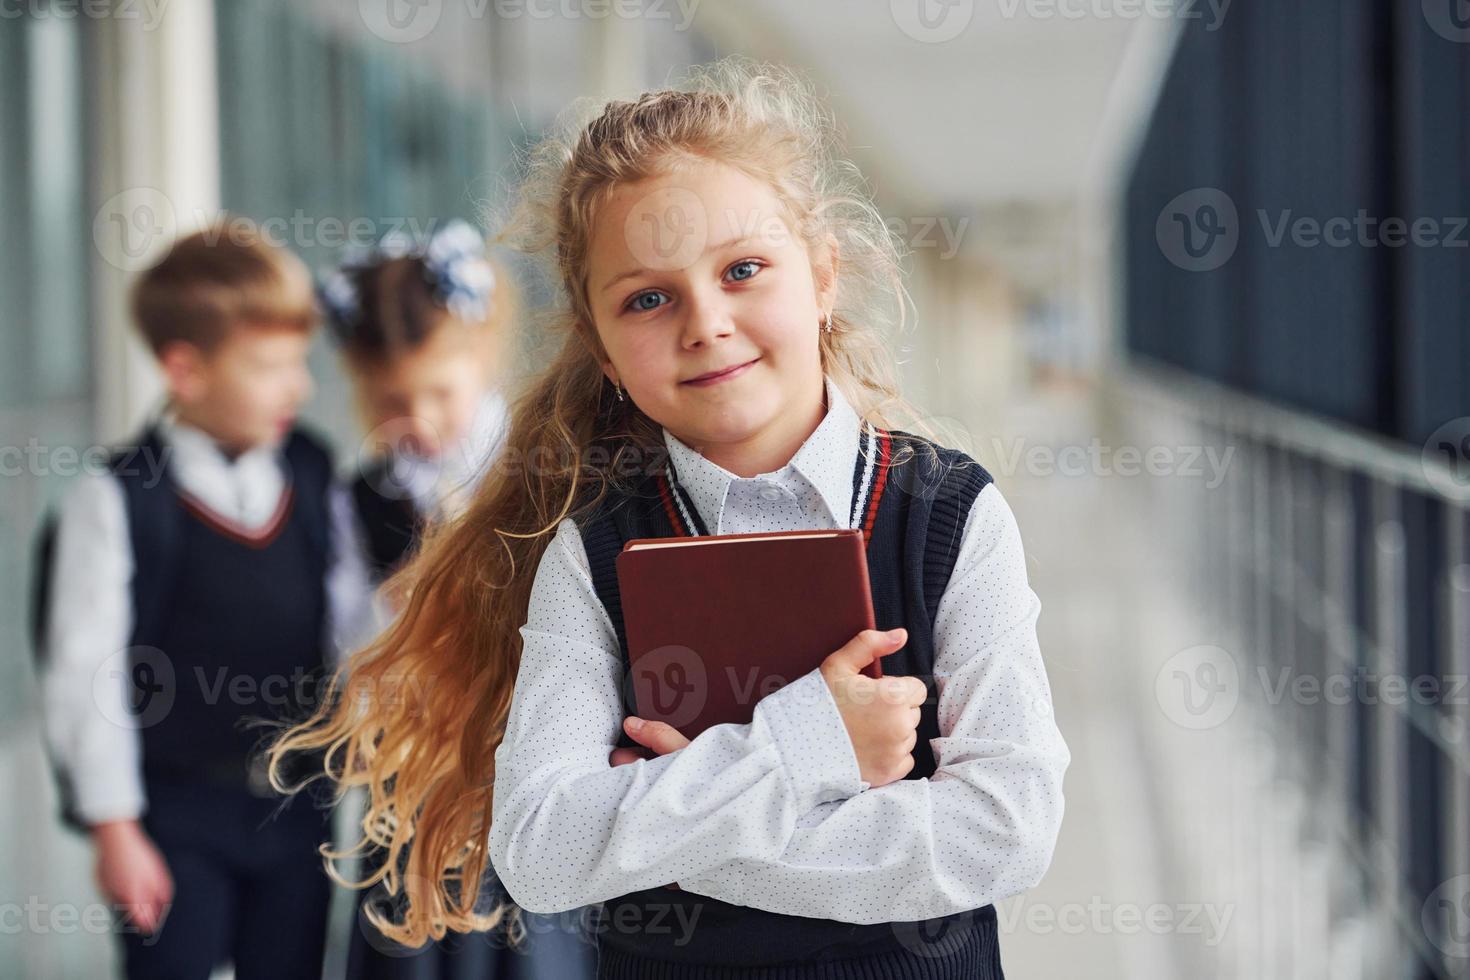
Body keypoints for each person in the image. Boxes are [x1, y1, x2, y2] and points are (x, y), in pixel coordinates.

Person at [269, 57, 1070, 979]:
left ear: (822, 277)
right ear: (603, 351)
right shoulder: (592, 550)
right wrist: (811, 741)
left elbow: (1005, 833)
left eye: (744, 269)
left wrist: (671, 821)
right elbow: (543, 848)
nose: (706, 322)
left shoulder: (952, 514)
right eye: (648, 298)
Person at [36, 224, 348, 979]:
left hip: (295, 809)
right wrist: (116, 830)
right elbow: (86, 674)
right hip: (172, 817)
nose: (300, 386)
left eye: (299, 361)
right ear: (186, 369)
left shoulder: (311, 471)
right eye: (272, 366)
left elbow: (349, 622)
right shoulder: (117, 499)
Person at [319, 219, 597, 979]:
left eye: (438, 391)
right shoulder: (362, 499)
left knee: (532, 954)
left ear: (481, 358)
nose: (420, 419)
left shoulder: (537, 468)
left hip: (526, 763)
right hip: (415, 772)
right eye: (390, 400)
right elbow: (346, 647)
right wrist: (391, 621)